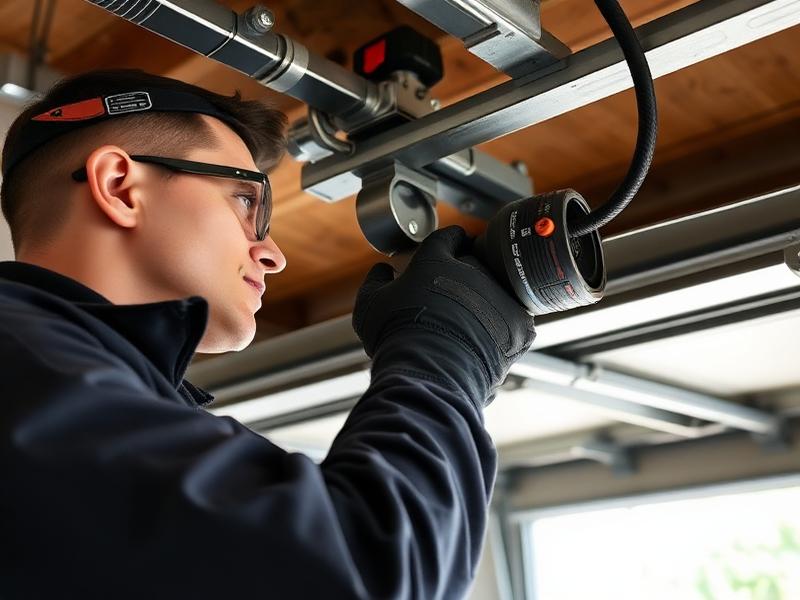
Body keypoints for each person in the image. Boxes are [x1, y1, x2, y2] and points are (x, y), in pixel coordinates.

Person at [0, 69, 536, 599]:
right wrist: (444, 350)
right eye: (244, 199)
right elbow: (374, 574)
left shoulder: (64, 388)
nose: (273, 254)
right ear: (120, 187)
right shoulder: (24, 366)